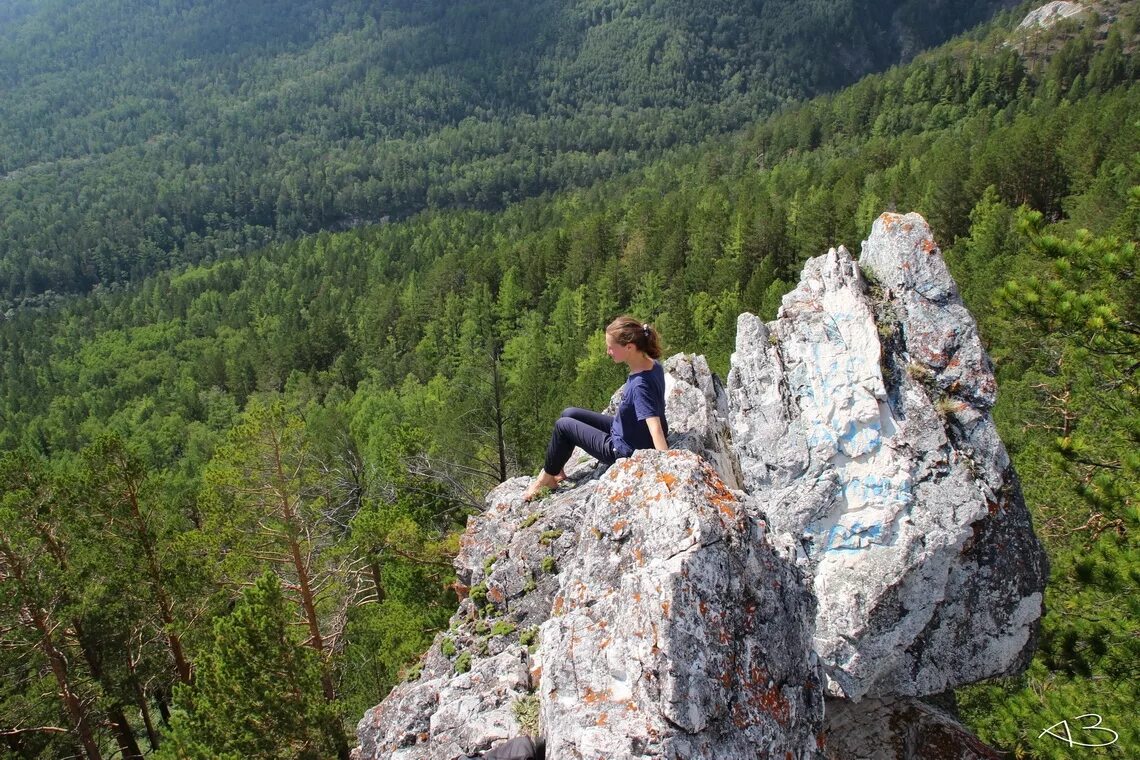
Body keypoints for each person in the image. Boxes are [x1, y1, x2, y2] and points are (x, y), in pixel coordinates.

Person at [522, 315, 669, 501]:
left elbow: (654, 426)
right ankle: (556, 468)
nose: (608, 351)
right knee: (569, 413)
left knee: (563, 425)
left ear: (629, 347)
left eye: (611, 347)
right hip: (627, 431)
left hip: (622, 449)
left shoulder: (640, 384)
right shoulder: (652, 365)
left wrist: (666, 469)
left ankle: (545, 479)